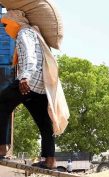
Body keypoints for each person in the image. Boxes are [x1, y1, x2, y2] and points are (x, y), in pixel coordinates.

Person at [0, 10, 69, 168]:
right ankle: (50, 159)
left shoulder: (24, 33)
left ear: (14, 22)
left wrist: (24, 76)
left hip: (28, 81)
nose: (5, 28)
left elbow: (31, 55)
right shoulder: (36, 34)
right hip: (41, 86)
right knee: (44, 121)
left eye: (6, 24)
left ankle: (1, 148)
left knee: (2, 104)